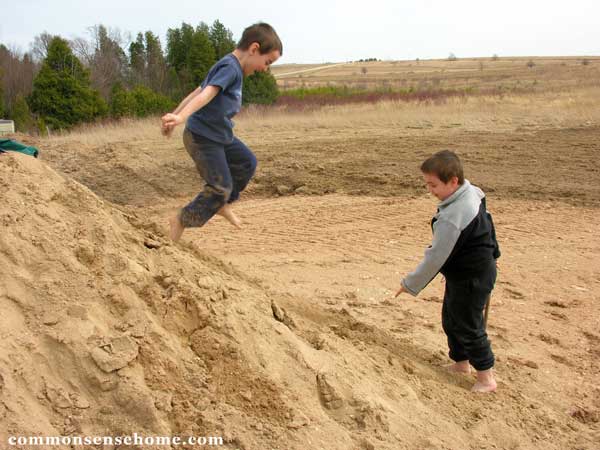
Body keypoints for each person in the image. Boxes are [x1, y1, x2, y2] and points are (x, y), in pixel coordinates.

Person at [161, 23, 282, 242]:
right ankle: (180, 219)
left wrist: (175, 115)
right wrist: (180, 118)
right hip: (203, 137)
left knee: (247, 162)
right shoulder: (230, 68)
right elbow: (205, 94)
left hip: (220, 136)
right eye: (268, 62)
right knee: (220, 187)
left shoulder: (229, 66)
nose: (265, 68)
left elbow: (195, 91)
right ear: (254, 49)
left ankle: (221, 203)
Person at [394, 150, 501, 393]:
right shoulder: (471, 191)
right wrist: (495, 253)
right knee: (452, 319)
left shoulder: (454, 216)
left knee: (469, 325)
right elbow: (489, 222)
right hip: (463, 273)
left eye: (433, 185)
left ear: (453, 181)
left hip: (473, 277)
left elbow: (436, 257)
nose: (430, 190)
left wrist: (410, 284)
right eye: (427, 184)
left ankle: (486, 378)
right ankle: (461, 363)